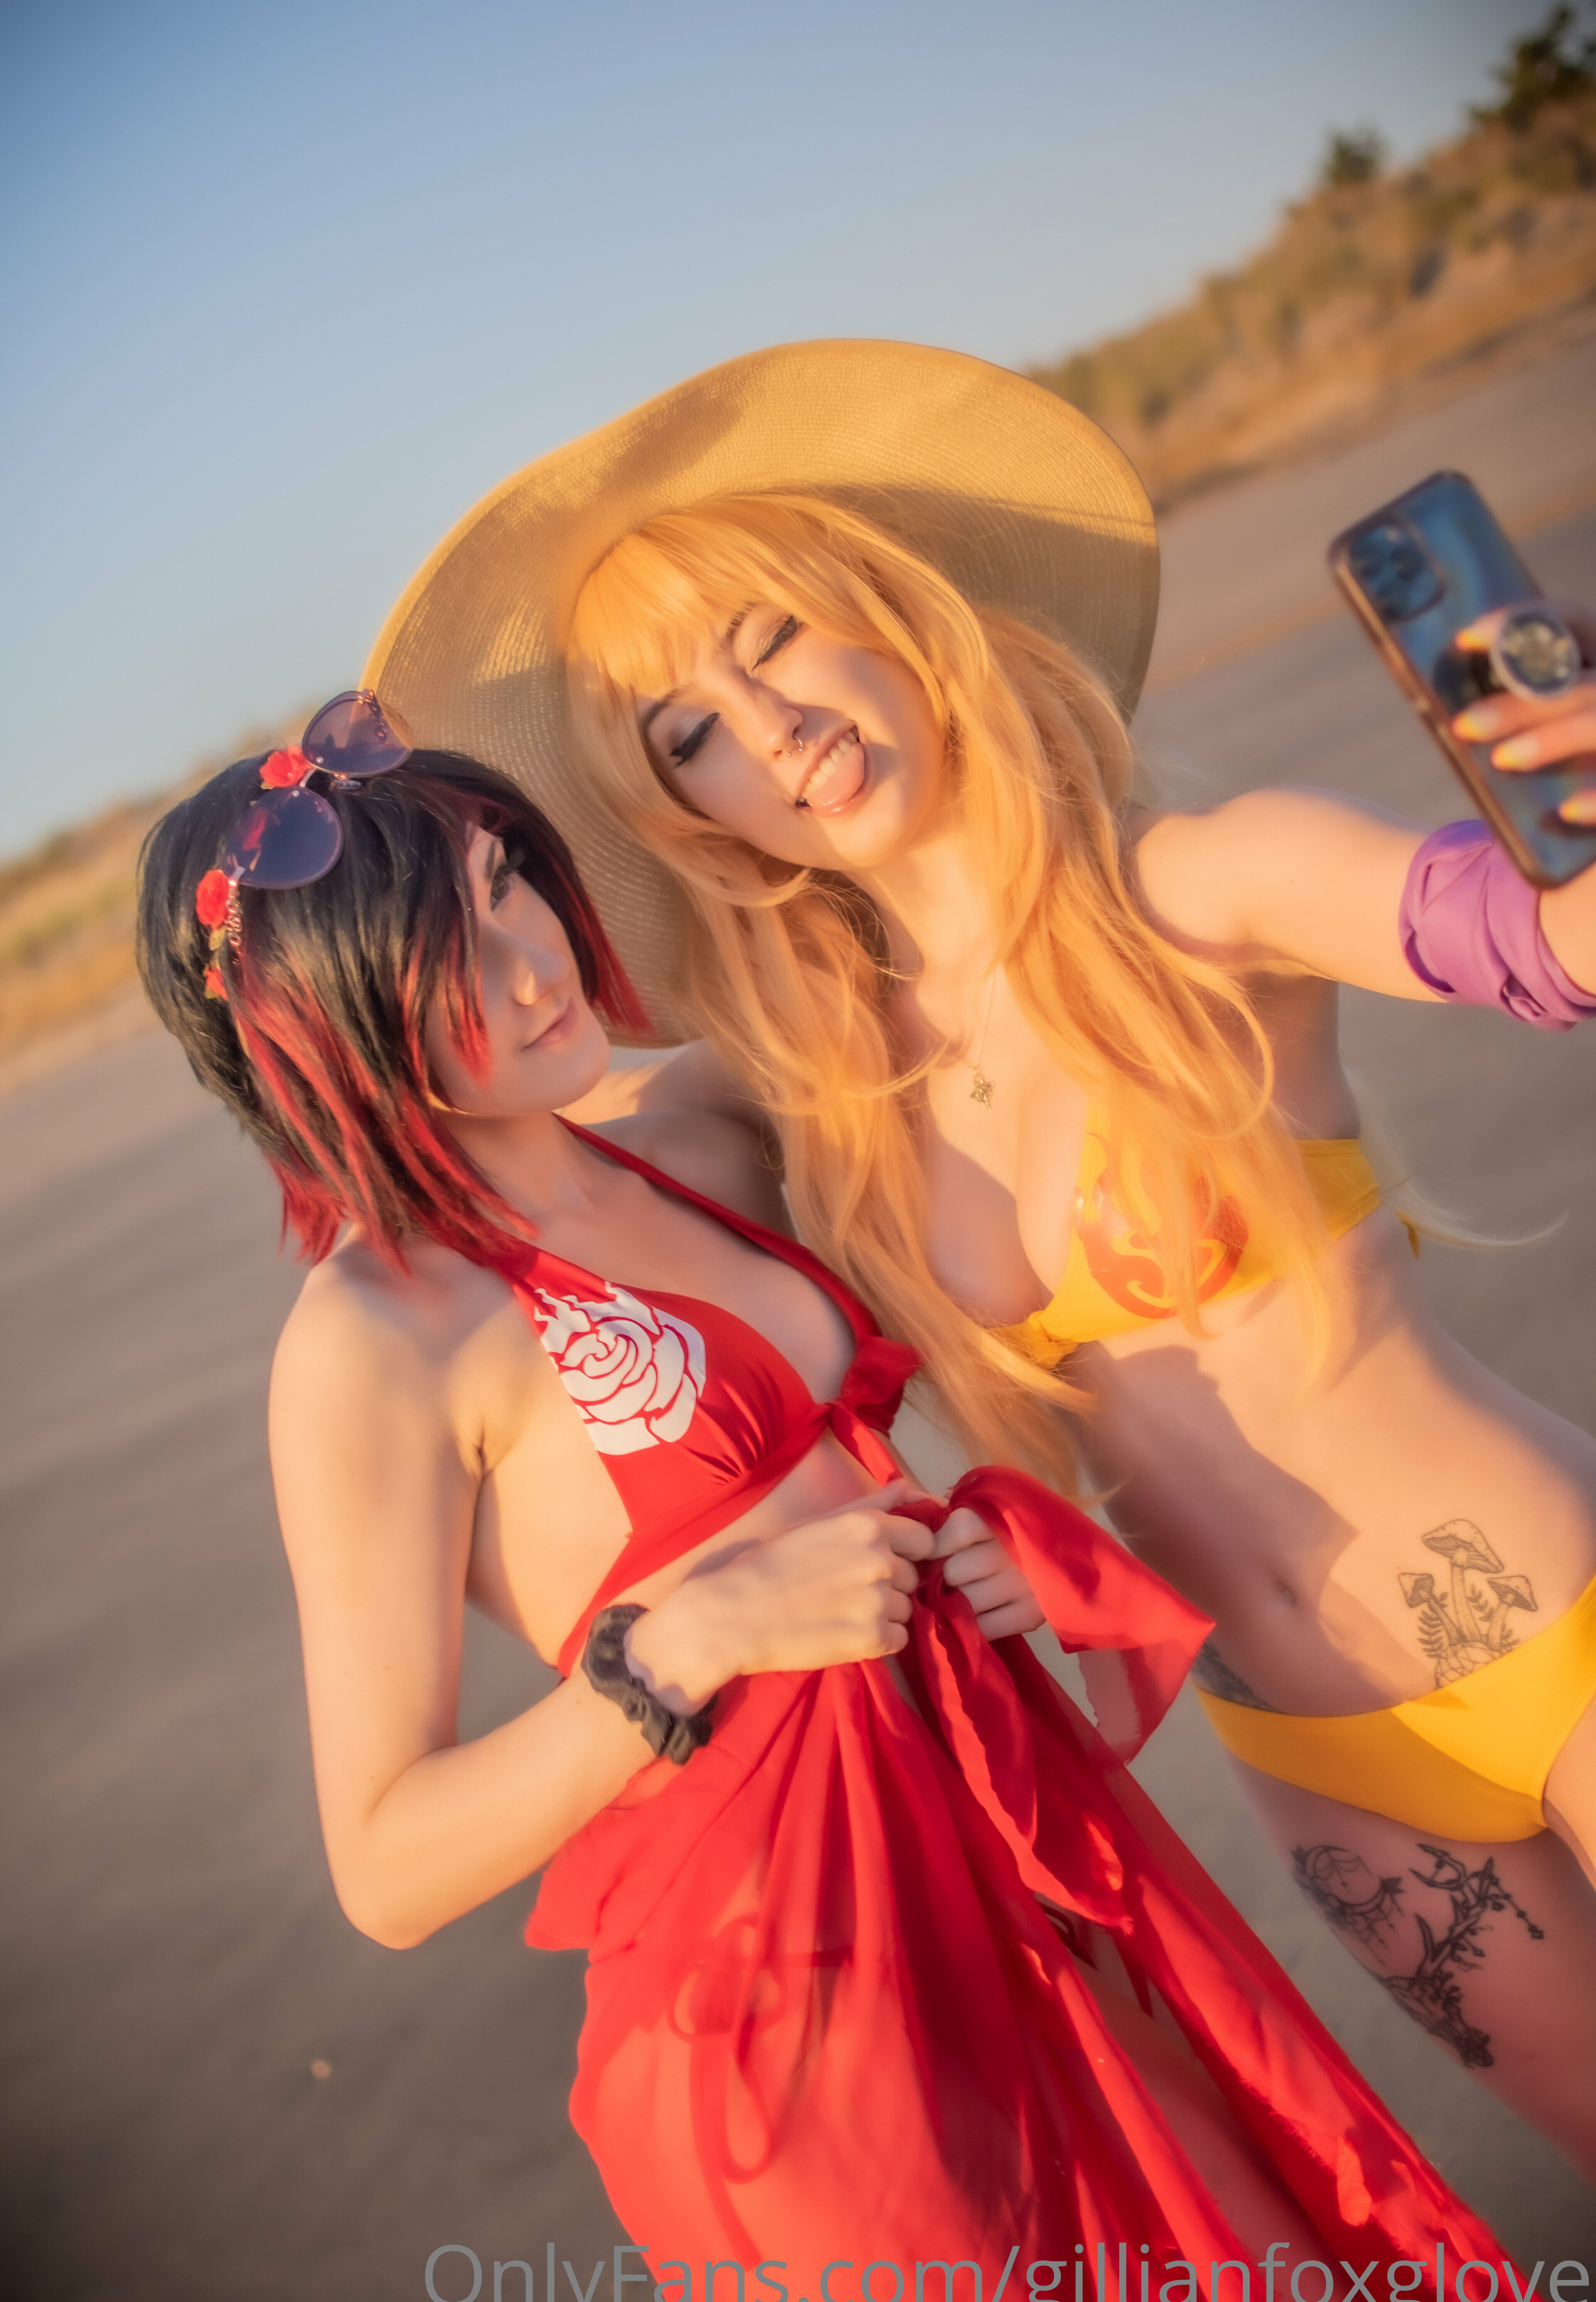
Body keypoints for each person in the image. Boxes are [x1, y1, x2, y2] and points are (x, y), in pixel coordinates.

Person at [135, 711, 1579, 2302]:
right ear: (317, 1031)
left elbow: (943, 1013)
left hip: (1019, 1874)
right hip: (801, 2010)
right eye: (444, 956)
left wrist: (985, 1552)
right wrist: (689, 1642)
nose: (529, 964)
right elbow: (387, 1864)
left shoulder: (693, 1144)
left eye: (505, 881)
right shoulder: (376, 1339)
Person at [361, 340, 1596, 2177]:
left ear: (889, 612)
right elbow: (520, 1199)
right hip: (1325, 1766)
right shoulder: (803, 1089)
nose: (767, 729)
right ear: (693, 817)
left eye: (772, 640)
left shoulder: (1198, 889)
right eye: (690, 732)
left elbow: (1546, 946)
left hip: (1554, 1615)